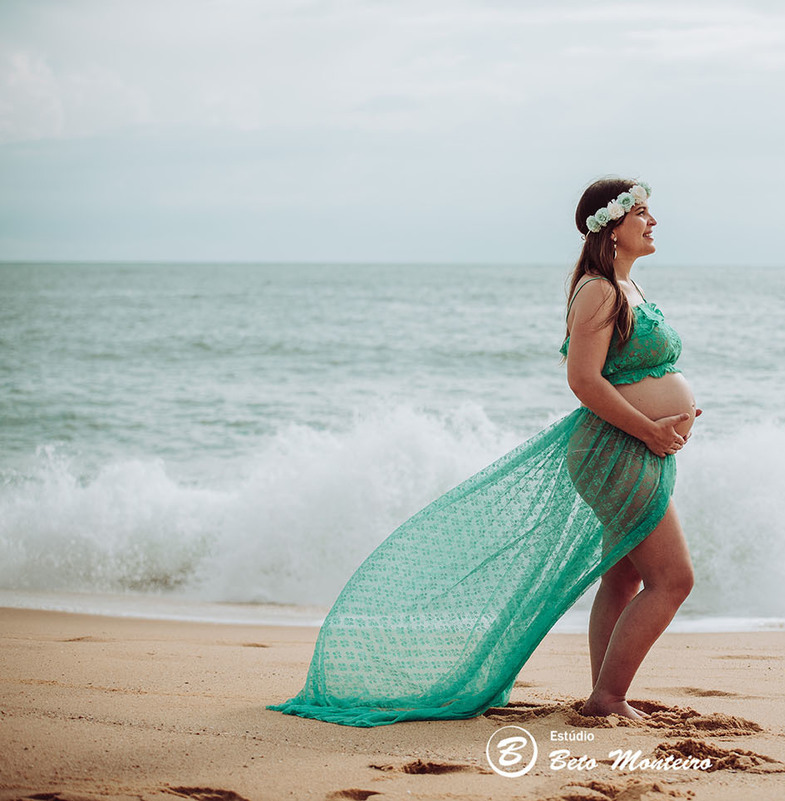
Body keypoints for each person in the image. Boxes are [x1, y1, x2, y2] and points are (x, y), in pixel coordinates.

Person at [268, 177, 697, 726]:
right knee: (673, 579)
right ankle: (607, 699)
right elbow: (584, 381)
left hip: (636, 448)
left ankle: (603, 693)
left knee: (625, 576)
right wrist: (649, 428)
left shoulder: (627, 288)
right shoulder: (599, 290)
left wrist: (666, 418)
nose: (653, 221)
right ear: (611, 227)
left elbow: (629, 372)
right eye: (640, 212)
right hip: (617, 450)